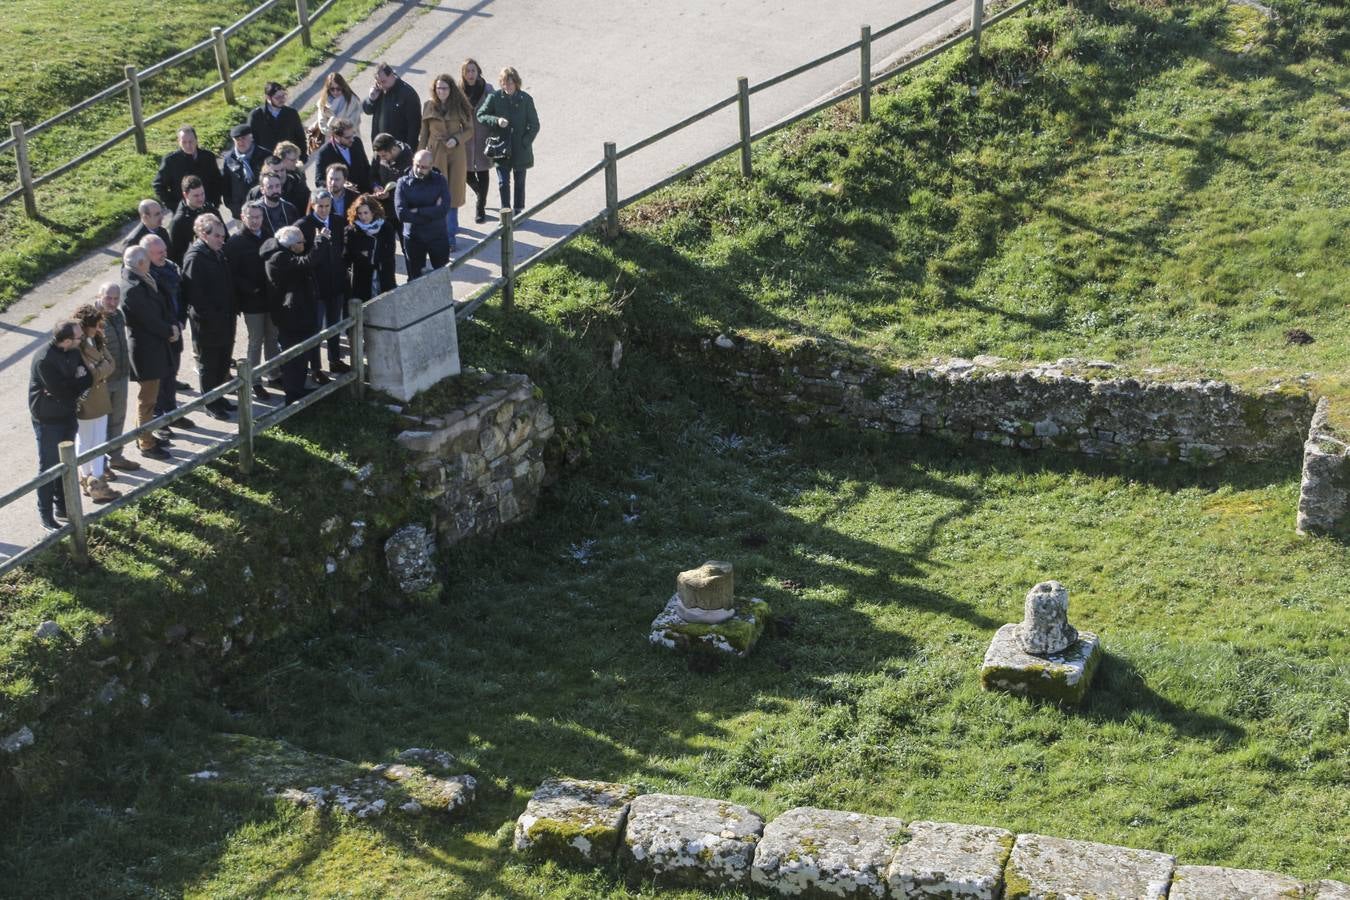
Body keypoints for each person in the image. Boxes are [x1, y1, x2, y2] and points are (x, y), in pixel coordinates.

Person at [28, 319, 92, 529]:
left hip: (67, 415)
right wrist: (73, 383)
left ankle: (64, 506)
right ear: (65, 340)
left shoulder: (73, 352)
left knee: (66, 464)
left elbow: (88, 378)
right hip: (47, 420)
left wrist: (71, 385)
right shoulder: (44, 360)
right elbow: (63, 392)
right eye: (78, 337)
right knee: (48, 466)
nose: (82, 339)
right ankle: (45, 515)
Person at [120, 246, 178, 462]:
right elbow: (149, 319)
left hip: (154, 345)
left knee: (150, 397)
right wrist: (168, 331)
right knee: (148, 398)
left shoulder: (142, 278)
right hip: (146, 349)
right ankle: (145, 442)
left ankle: (144, 433)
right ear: (142, 263)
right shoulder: (132, 289)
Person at [262, 225, 327, 404]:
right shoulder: (279, 258)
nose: (304, 243)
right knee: (292, 358)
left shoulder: (285, 253)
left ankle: (298, 389)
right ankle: (293, 395)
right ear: (291, 245)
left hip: (298, 313)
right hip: (289, 317)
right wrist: (321, 241)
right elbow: (306, 262)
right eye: (301, 242)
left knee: (301, 356)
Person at [181, 215, 237, 420]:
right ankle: (210, 403)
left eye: (223, 236)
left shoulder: (217, 252)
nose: (222, 240)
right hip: (208, 324)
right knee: (209, 363)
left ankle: (220, 397)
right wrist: (212, 318)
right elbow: (196, 295)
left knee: (222, 362)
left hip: (225, 319)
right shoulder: (195, 258)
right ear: (204, 235)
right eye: (217, 236)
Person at [225, 202, 279, 400]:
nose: (255, 221)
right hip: (251, 302)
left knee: (273, 336)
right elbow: (232, 274)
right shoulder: (235, 242)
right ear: (243, 216)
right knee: (256, 340)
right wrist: (250, 289)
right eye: (251, 217)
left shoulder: (267, 236)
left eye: (258, 217)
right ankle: (254, 381)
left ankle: (273, 373)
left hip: (271, 298)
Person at [140, 234, 190, 433]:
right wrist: (167, 329)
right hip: (160, 336)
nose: (164, 255)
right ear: (147, 254)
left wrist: (181, 321)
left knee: (172, 375)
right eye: (159, 253)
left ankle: (172, 412)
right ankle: (159, 420)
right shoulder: (146, 276)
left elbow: (181, 296)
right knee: (159, 379)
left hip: (176, 329)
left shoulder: (170, 268)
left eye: (164, 251)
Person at [297, 190, 349, 378]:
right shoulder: (303, 226)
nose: (324, 210)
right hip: (315, 288)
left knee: (335, 326)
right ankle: (316, 368)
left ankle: (335, 360)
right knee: (315, 330)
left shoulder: (337, 221)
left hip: (335, 284)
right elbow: (302, 259)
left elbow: (342, 249)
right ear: (312, 205)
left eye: (328, 206)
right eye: (320, 206)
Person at [72, 305, 121, 504]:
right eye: (94, 325)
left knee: (99, 439)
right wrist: (99, 369)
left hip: (100, 397)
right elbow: (91, 374)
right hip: (87, 399)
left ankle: (98, 478)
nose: (98, 328)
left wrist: (98, 369)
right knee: (85, 440)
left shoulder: (97, 339)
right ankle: (86, 478)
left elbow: (111, 364)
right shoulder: (79, 346)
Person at [419, 73, 474, 250]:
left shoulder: (459, 106)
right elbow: (424, 133)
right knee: (437, 194)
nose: (441, 91)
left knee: (452, 194)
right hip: (434, 153)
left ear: (451, 89)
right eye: (438, 88)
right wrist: (418, 156)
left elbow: (469, 130)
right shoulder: (428, 106)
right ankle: (442, 234)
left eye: (444, 88)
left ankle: (450, 238)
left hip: (455, 152)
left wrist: (457, 139)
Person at [477, 67, 539, 215]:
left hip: (520, 149)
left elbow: (535, 125)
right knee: (503, 182)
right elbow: (481, 115)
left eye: (511, 83)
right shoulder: (495, 97)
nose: (508, 86)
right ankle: (505, 211)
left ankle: (518, 210)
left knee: (519, 182)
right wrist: (496, 121)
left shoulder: (526, 99)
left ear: (516, 83)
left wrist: (525, 142)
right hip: (501, 147)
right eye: (505, 83)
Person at [95, 282, 140, 473]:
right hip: (103, 381)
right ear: (99, 296)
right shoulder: (92, 319)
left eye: (116, 298)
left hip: (121, 376)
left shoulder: (118, 315)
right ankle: (100, 465)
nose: (113, 303)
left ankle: (116, 457)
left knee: (118, 419)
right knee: (101, 425)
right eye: (108, 298)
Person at [395, 150, 451, 279]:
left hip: (437, 236)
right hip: (414, 238)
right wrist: (432, 211)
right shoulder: (403, 183)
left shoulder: (440, 180)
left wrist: (417, 211)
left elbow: (444, 209)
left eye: (424, 167)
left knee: (442, 275)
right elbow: (402, 214)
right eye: (417, 165)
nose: (419, 169)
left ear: (431, 166)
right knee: (415, 278)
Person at [152, 126, 223, 213]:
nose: (188, 145)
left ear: (196, 140)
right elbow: (158, 185)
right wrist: (175, 206)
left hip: (208, 209)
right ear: (178, 142)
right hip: (184, 213)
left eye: (191, 141)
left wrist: (215, 203)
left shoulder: (208, 157)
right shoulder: (171, 161)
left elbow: (217, 181)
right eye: (184, 142)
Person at [345, 193, 396, 299]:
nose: (363, 217)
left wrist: (371, 254)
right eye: (359, 213)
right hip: (362, 277)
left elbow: (389, 251)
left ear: (373, 212)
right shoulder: (352, 230)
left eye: (366, 213)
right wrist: (362, 254)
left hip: (383, 274)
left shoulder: (386, 227)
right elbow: (349, 254)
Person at [460, 58, 493, 224]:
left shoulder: (487, 89)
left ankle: (480, 208)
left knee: (483, 171)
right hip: (465, 138)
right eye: (467, 71)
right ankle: (481, 193)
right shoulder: (458, 91)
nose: (470, 74)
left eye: (473, 70)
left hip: (483, 136)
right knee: (466, 173)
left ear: (478, 71)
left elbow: (496, 108)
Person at [362, 62, 421, 148]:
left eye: (383, 81)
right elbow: (367, 110)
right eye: (378, 82)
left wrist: (409, 150)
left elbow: (414, 126)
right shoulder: (378, 90)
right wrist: (371, 99)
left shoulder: (407, 94)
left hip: (398, 148)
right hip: (380, 147)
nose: (381, 85)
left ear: (391, 75)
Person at [249, 82, 307, 163]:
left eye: (283, 96)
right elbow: (252, 142)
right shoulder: (256, 116)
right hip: (268, 163)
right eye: (278, 97)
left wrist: (302, 157)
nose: (282, 100)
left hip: (290, 160)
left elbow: (300, 137)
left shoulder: (291, 113)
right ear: (268, 97)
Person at [222, 123, 271, 219]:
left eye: (243, 138)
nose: (241, 142)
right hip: (241, 213)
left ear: (251, 138)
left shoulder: (265, 156)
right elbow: (226, 187)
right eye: (237, 139)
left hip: (265, 209)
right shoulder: (228, 160)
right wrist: (234, 208)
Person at [313, 118, 371, 193]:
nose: (352, 139)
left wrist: (374, 185)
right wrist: (340, 185)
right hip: (344, 198)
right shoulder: (324, 153)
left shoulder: (357, 142)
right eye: (348, 137)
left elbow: (366, 167)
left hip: (365, 193)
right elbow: (319, 181)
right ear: (336, 136)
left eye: (353, 135)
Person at [168, 176, 213, 265]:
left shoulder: (209, 209)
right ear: (185, 195)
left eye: (202, 194)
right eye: (196, 195)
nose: (201, 199)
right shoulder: (178, 222)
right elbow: (176, 255)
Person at [315, 71, 362, 137]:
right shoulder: (323, 102)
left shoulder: (352, 101)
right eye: (332, 89)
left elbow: (353, 125)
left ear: (343, 87)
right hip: (331, 142)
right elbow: (323, 127)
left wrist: (333, 119)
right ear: (328, 89)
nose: (335, 92)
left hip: (351, 140)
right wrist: (333, 120)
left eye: (338, 89)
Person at [256, 171, 299, 238]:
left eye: (277, 186)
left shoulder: (290, 208)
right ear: (262, 190)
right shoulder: (256, 211)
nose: (275, 190)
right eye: (270, 187)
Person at [273, 141, 312, 213]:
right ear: (281, 159)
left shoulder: (299, 173)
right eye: (292, 160)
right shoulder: (272, 176)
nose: (296, 162)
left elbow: (306, 195)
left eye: (296, 159)